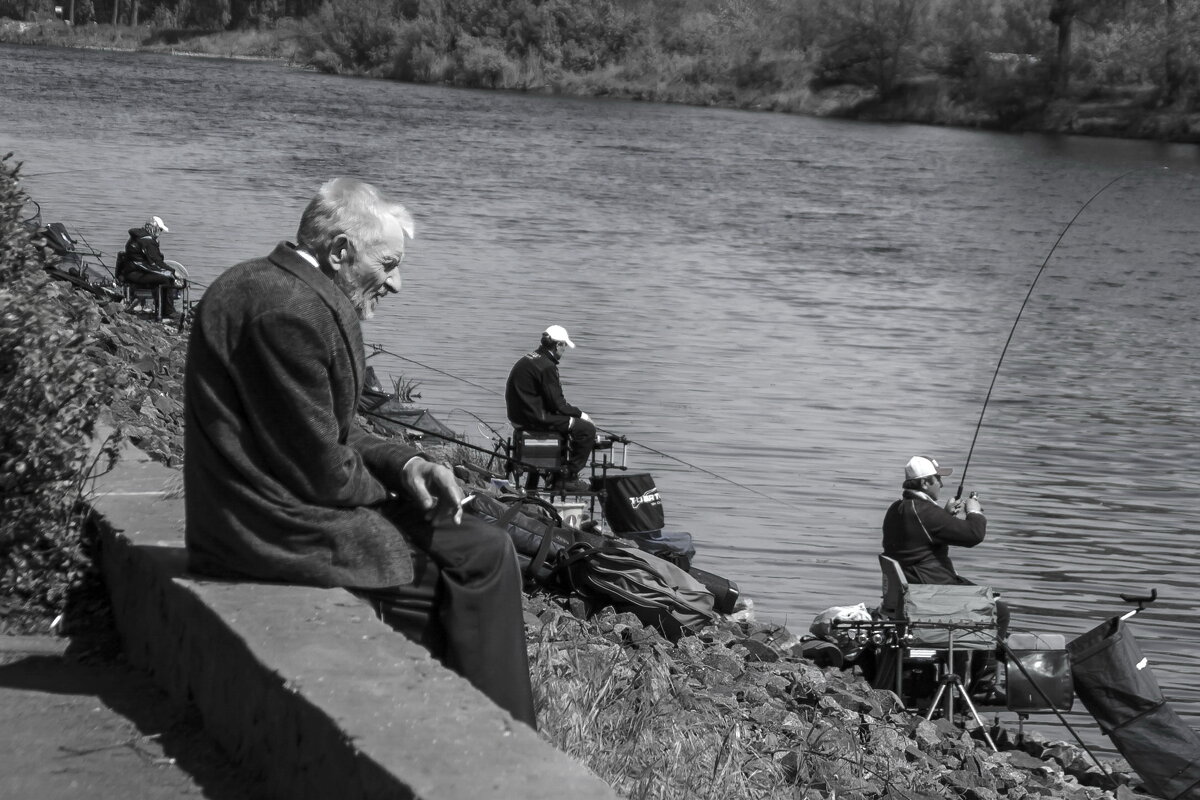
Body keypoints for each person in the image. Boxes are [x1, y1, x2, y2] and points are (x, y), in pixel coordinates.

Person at [183, 178, 536, 728]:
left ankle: (471, 724)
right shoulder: (291, 313)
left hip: (258, 508)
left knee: (477, 549)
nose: (397, 283)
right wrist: (397, 493)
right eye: (389, 264)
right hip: (266, 528)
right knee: (480, 557)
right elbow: (323, 470)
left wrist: (408, 463)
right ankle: (502, 739)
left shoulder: (269, 285)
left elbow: (329, 432)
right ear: (341, 250)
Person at [881, 454, 1010, 699]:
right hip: (929, 597)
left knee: (986, 598)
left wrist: (945, 514)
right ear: (925, 483)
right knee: (999, 611)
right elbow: (973, 535)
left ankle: (964, 680)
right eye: (938, 479)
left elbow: (919, 536)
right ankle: (982, 684)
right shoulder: (925, 513)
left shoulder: (898, 508)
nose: (941, 483)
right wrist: (975, 513)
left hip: (915, 591)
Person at [504, 325, 596, 492]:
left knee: (568, 425)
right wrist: (582, 415)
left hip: (520, 417)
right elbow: (558, 404)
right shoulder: (547, 366)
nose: (565, 349)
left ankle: (546, 477)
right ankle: (567, 477)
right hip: (536, 419)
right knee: (586, 430)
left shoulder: (530, 358)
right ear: (557, 345)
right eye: (564, 346)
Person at [121, 215, 183, 315]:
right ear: (153, 228)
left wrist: (167, 271)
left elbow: (152, 263)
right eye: (159, 230)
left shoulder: (138, 236)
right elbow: (157, 262)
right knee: (167, 279)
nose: (159, 233)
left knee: (163, 277)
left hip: (132, 272)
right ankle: (168, 312)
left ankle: (162, 310)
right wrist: (173, 272)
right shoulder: (147, 241)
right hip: (136, 273)